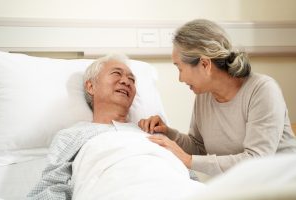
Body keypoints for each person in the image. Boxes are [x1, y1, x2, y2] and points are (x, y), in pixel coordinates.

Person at [138, 19, 296, 176]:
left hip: (282, 185)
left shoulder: (262, 90)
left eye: (180, 68)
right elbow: (198, 147)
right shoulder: (204, 95)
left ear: (205, 65)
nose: (180, 79)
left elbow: (256, 160)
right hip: (241, 187)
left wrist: (188, 160)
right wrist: (168, 133)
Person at [27, 54, 138, 199]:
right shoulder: (72, 136)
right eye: (116, 73)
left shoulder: (151, 132)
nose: (126, 82)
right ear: (91, 86)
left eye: (132, 79)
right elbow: (51, 188)